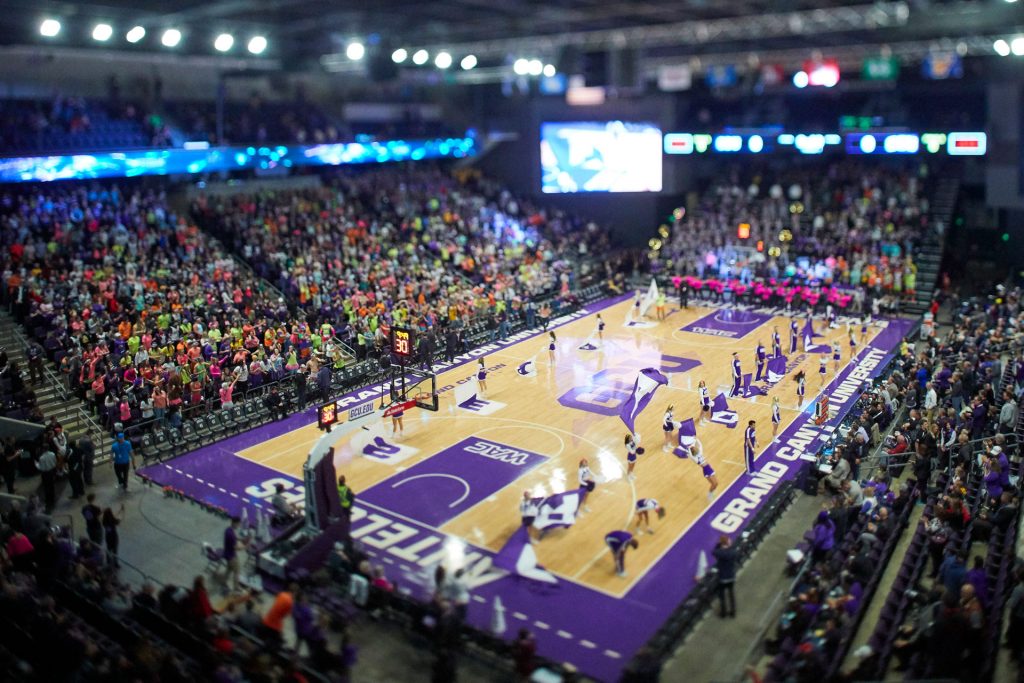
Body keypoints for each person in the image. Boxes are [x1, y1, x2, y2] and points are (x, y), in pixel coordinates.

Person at [260, 583, 297, 649]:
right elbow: (286, 615)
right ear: (294, 592)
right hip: (274, 626)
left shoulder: (281, 594)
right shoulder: (290, 602)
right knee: (278, 646)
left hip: (267, 620)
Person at [713, 534, 738, 618]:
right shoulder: (732, 552)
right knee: (731, 594)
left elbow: (713, 552)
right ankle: (733, 612)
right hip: (731, 576)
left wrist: (718, 544)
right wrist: (729, 546)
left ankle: (723, 613)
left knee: (722, 596)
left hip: (722, 578)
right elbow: (734, 552)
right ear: (728, 543)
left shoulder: (720, 553)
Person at [35, 445, 58, 513]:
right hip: (52, 471)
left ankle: (48, 499)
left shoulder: (42, 458)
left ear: (43, 449)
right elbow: (55, 462)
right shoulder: (52, 454)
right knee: (52, 485)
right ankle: (53, 497)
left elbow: (41, 467)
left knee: (46, 486)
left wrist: (36, 464)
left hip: (46, 473)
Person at [223, 516, 242, 592]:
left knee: (229, 569)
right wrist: (245, 546)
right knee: (237, 571)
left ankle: (224, 581)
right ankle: (236, 587)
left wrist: (240, 539)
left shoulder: (228, 530)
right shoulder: (231, 534)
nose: (239, 525)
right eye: (238, 524)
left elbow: (234, 538)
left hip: (227, 554)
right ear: (234, 523)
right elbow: (236, 548)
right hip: (231, 556)